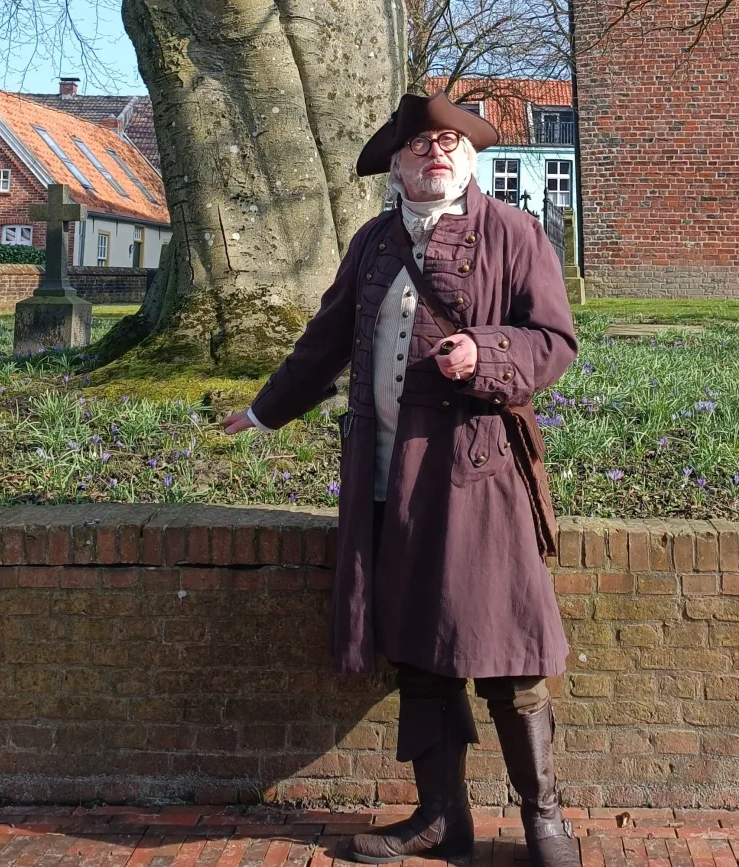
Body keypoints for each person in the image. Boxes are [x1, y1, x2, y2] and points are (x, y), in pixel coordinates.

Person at [219, 91, 581, 867]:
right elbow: (325, 340)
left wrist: (487, 353)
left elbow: (555, 339)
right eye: (419, 146)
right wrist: (264, 410)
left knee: (511, 649)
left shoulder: (514, 235)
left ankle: (543, 819)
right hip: (386, 474)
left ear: (471, 158)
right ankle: (439, 817)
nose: (435, 154)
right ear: (396, 164)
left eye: (449, 143)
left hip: (478, 474)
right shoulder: (374, 242)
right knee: (419, 648)